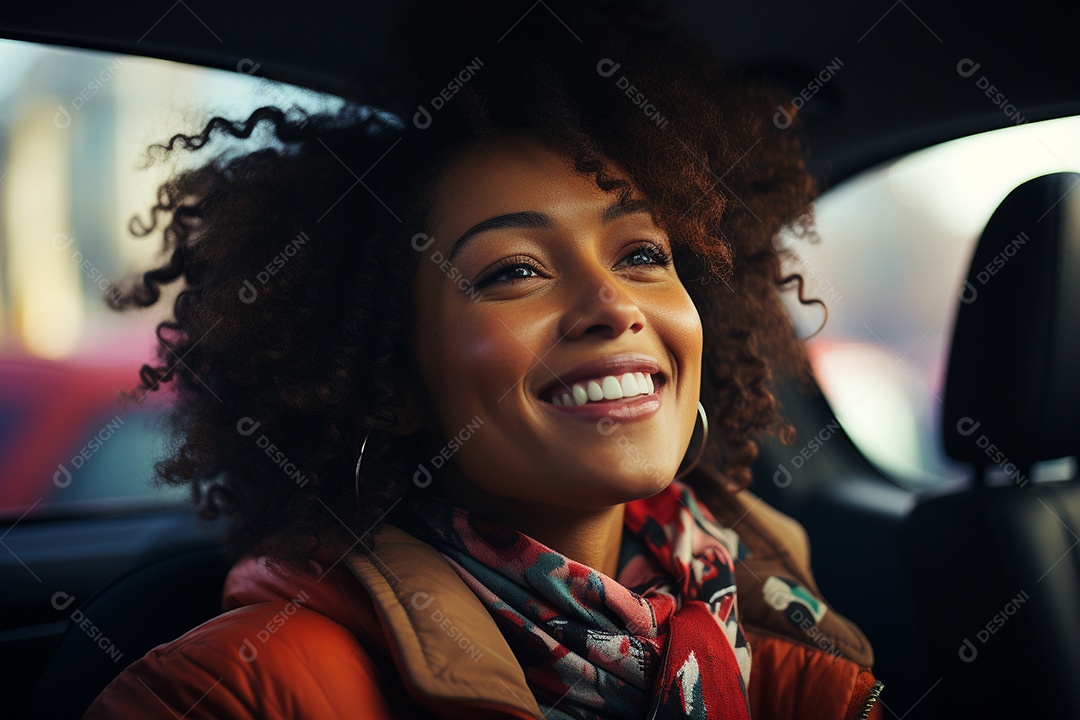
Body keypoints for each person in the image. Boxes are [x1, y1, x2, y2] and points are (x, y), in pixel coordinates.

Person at [85, 1, 882, 717]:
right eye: (514, 271)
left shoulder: (788, 636)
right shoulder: (233, 692)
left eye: (641, 253)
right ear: (392, 382)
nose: (615, 305)